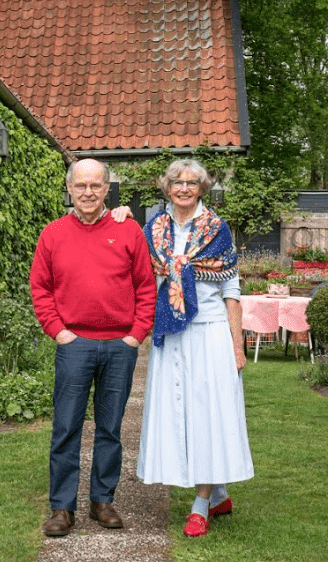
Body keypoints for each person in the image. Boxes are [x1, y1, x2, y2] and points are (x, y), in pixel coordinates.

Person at [117, 159, 253, 538]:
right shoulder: (154, 229)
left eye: (192, 182)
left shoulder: (216, 230)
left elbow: (231, 290)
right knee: (178, 413)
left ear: (202, 188)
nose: (184, 188)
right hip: (171, 333)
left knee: (208, 414)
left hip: (209, 333)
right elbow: (132, 261)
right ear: (167, 187)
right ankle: (219, 492)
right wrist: (121, 218)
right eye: (177, 181)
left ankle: (200, 503)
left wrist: (236, 345)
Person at [30, 158, 157, 537]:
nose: (88, 192)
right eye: (81, 186)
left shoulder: (129, 231)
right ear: (69, 189)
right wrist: (58, 331)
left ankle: (103, 500)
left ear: (106, 189)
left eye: (95, 186)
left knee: (110, 428)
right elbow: (41, 288)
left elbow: (146, 287)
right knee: (66, 426)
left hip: (119, 345)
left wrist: (136, 334)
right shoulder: (52, 234)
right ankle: (62, 507)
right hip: (75, 344)